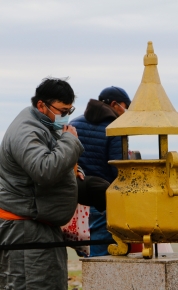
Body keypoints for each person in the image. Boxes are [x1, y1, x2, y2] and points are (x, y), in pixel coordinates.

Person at [0, 78, 84, 290]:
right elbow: (44, 169)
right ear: (41, 105)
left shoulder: (43, 123)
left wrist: (75, 170)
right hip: (26, 230)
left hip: (38, 225)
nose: (65, 116)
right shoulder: (26, 131)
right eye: (62, 110)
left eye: (69, 110)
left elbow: (54, 156)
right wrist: (69, 141)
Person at [70, 86, 131, 256]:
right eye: (126, 106)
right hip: (103, 200)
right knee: (101, 254)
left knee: (86, 251)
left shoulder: (74, 124)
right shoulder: (115, 129)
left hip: (75, 199)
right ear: (114, 104)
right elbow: (119, 169)